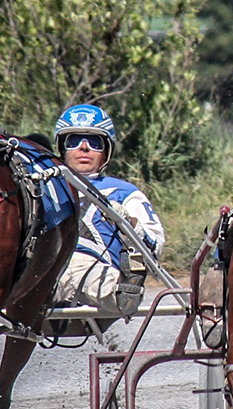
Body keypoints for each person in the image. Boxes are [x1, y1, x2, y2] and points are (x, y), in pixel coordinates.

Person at [52, 103, 166, 315]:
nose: (84, 148)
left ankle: (123, 293)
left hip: (95, 269)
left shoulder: (124, 193)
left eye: (94, 142)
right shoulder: (44, 186)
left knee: (81, 273)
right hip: (45, 264)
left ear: (106, 152)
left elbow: (155, 246)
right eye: (74, 141)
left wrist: (130, 224)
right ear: (62, 148)